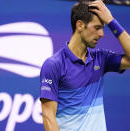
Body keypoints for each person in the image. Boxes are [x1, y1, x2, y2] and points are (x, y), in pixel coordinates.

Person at [39, 0, 130, 131]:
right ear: (80, 25)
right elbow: (48, 117)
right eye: (97, 28)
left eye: (103, 28)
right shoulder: (54, 65)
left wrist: (111, 21)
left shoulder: (101, 58)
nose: (102, 34)